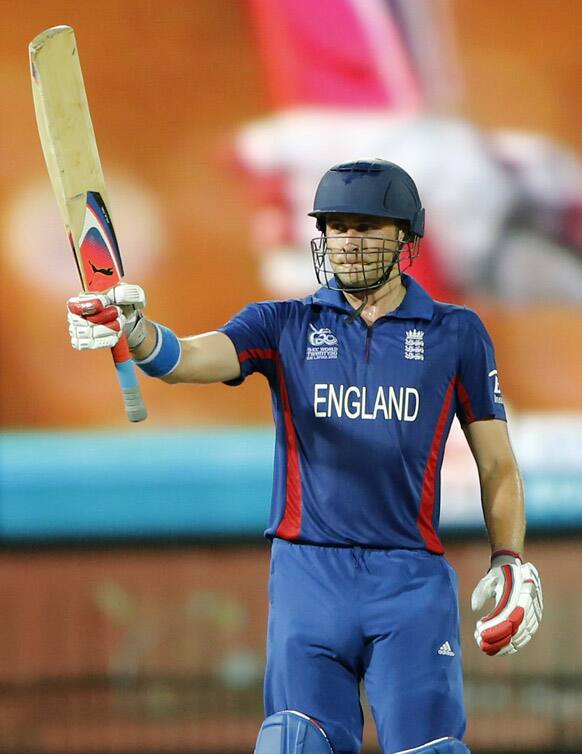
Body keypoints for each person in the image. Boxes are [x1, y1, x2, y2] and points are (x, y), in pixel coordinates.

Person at [67, 160, 543, 754]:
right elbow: (187, 358)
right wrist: (136, 332)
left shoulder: (456, 333)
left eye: (367, 226)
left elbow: (497, 463)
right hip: (309, 579)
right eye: (337, 226)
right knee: (295, 743)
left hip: (410, 581)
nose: (349, 242)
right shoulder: (283, 322)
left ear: (407, 239)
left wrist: (510, 559)